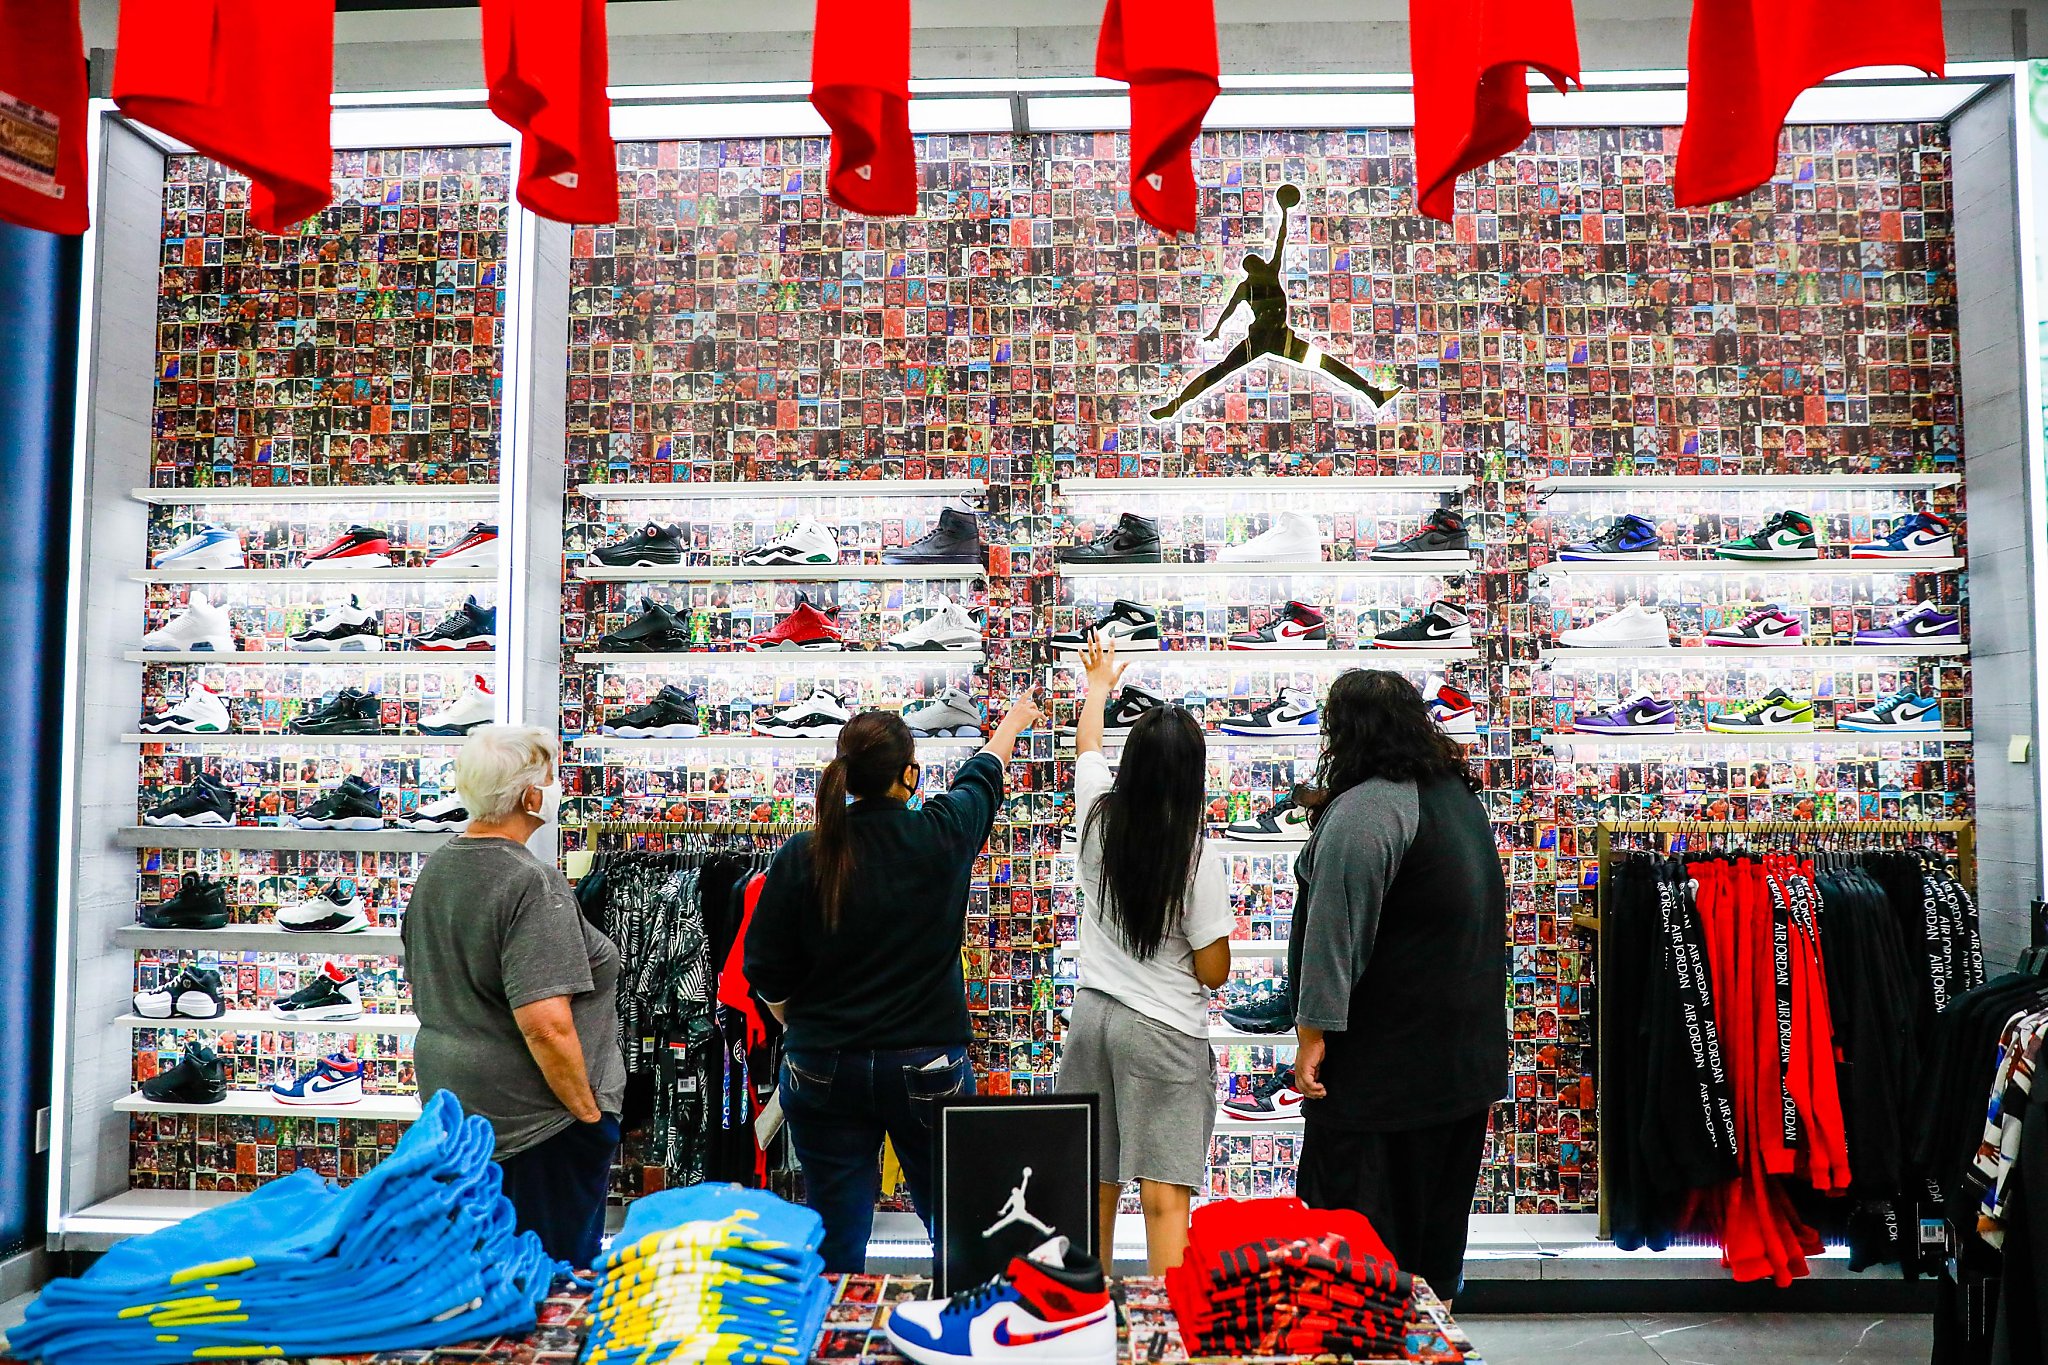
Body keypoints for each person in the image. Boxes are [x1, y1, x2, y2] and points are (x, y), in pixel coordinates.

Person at [745, 695, 1041, 1272]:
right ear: (910, 774)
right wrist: (1012, 722)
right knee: (959, 1230)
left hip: (823, 1065)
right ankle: (960, 1343)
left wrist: (795, 1020)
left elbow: (766, 970)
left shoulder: (804, 855)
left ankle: (833, 1337)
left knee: (834, 1239)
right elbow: (982, 776)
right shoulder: (940, 834)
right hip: (928, 1064)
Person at [1288, 670, 1507, 1302]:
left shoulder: (1367, 810)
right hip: (1460, 1070)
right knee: (1432, 1249)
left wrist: (1310, 1036)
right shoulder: (1458, 799)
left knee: (1357, 1252)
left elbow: (1335, 936)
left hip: (1385, 1081)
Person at [403, 724, 627, 1270]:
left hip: (458, 1109)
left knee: (481, 1274)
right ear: (530, 795)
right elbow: (545, 1023)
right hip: (535, 1127)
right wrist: (589, 1117)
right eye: (550, 779)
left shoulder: (439, 867)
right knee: (551, 1283)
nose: (556, 789)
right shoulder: (531, 881)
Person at [1056, 634, 1233, 1273]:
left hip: (1091, 1018)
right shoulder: (1195, 853)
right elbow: (1213, 971)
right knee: (1163, 1201)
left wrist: (1098, 686)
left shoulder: (1098, 816)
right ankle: (1168, 1337)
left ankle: (1086, 1324)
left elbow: (1087, 749)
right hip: (1161, 1031)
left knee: (1092, 1190)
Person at [1151, 183, 1396, 421]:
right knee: (1222, 372)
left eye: (1255, 260)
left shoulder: (1266, 274)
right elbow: (1229, 310)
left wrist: (1285, 214)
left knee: (1325, 364)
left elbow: (1282, 240)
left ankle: (1374, 394)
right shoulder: (1251, 284)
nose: (1257, 261)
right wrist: (1216, 330)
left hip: (1278, 340)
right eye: (1253, 262)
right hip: (1265, 340)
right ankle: (1173, 407)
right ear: (1251, 268)